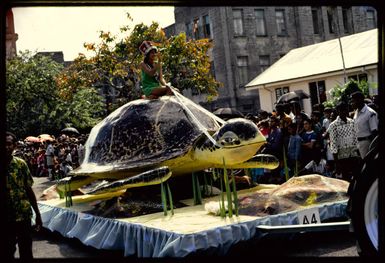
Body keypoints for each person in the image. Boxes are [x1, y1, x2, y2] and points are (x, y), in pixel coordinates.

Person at [6, 131, 43, 260]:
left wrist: (37, 214)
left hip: (23, 215)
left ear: (15, 145)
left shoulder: (21, 164)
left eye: (9, 144)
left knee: (26, 251)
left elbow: (29, 190)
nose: (6, 147)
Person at [328, 101, 360, 182]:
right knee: (346, 180)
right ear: (337, 111)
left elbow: (356, 139)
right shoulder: (333, 125)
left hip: (353, 155)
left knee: (357, 178)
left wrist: (358, 154)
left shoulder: (352, 122)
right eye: (341, 110)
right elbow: (333, 144)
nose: (344, 112)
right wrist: (336, 163)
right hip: (342, 159)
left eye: (345, 109)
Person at [350, 91, 378, 159]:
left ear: (359, 100)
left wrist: (373, 149)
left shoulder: (370, 113)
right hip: (358, 144)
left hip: (367, 144)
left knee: (369, 166)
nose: (351, 103)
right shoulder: (356, 112)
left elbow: (375, 133)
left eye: (353, 101)